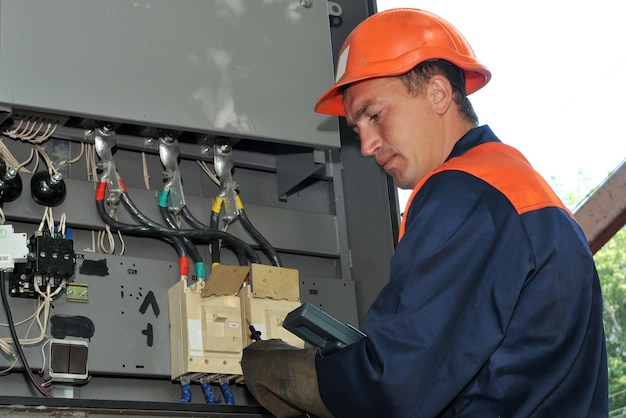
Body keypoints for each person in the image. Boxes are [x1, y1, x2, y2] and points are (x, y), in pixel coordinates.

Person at [241, 8, 608, 418]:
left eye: (375, 115)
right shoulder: (523, 192)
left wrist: (292, 374)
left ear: (437, 93)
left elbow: (397, 384)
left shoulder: (464, 193)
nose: (367, 145)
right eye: (357, 129)